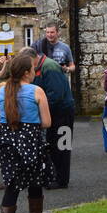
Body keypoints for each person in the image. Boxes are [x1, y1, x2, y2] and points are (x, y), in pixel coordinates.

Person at [0, 53, 52, 213]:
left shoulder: (2, 91)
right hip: (31, 143)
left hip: (9, 145)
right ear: (27, 72)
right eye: (32, 69)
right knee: (35, 184)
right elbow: (47, 123)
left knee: (11, 188)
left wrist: (3, 127)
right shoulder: (37, 91)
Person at [26, 47, 74, 188]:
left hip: (63, 113)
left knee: (62, 147)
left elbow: (56, 94)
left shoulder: (50, 67)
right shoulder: (41, 66)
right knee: (53, 146)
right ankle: (54, 176)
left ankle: (61, 180)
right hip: (55, 113)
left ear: (31, 59)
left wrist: (40, 110)